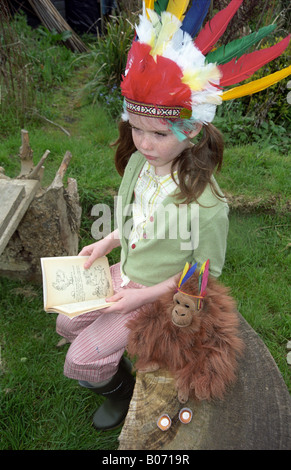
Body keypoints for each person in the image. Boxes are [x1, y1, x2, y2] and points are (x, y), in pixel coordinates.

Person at [56, 0, 291, 432]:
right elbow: (134, 214)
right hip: (125, 273)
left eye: (158, 133)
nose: (143, 143)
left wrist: (140, 298)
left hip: (158, 296)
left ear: (193, 128)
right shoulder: (137, 165)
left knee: (81, 357)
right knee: (65, 322)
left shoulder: (207, 205)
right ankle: (117, 377)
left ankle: (120, 394)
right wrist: (109, 241)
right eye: (136, 128)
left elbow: (202, 274)